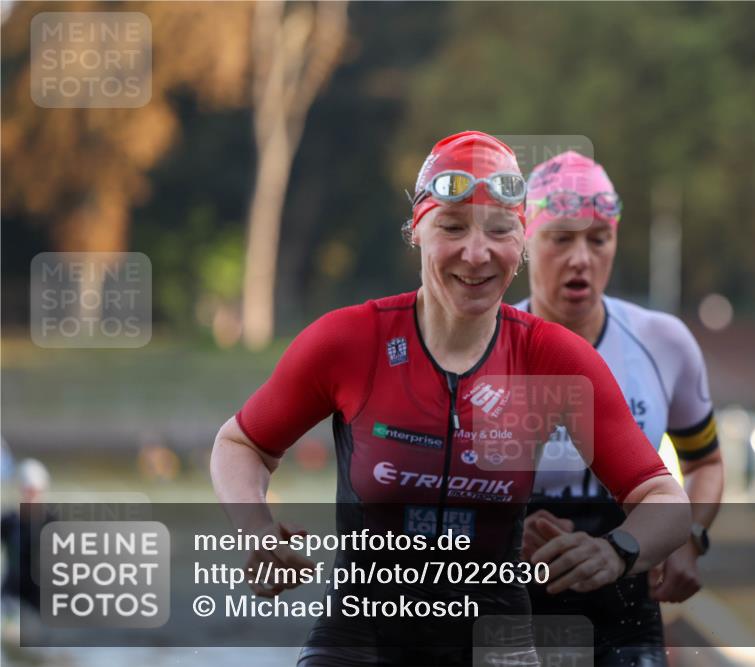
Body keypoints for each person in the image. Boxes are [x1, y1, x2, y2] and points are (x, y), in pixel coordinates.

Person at [211, 131, 692, 666]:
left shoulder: (550, 356)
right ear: (417, 231)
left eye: (500, 230)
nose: (477, 253)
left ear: (522, 243)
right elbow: (241, 444)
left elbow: (664, 500)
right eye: (453, 226)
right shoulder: (350, 341)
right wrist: (256, 531)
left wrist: (617, 551)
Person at [515, 151, 724, 666]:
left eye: (598, 239)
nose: (581, 258)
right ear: (524, 240)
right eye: (560, 238)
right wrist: (498, 532)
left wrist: (689, 537)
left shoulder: (662, 342)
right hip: (506, 601)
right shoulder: (484, 345)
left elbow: (705, 462)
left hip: (623, 603)